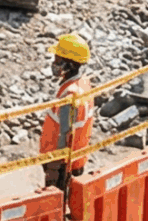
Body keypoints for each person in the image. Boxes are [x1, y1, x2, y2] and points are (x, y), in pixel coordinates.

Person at [40, 33, 94, 193]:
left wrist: (55, 169)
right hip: (76, 159)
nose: (54, 63)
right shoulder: (83, 82)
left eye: (58, 60)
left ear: (70, 64)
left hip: (62, 164)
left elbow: (65, 134)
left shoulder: (71, 95)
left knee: (56, 205)